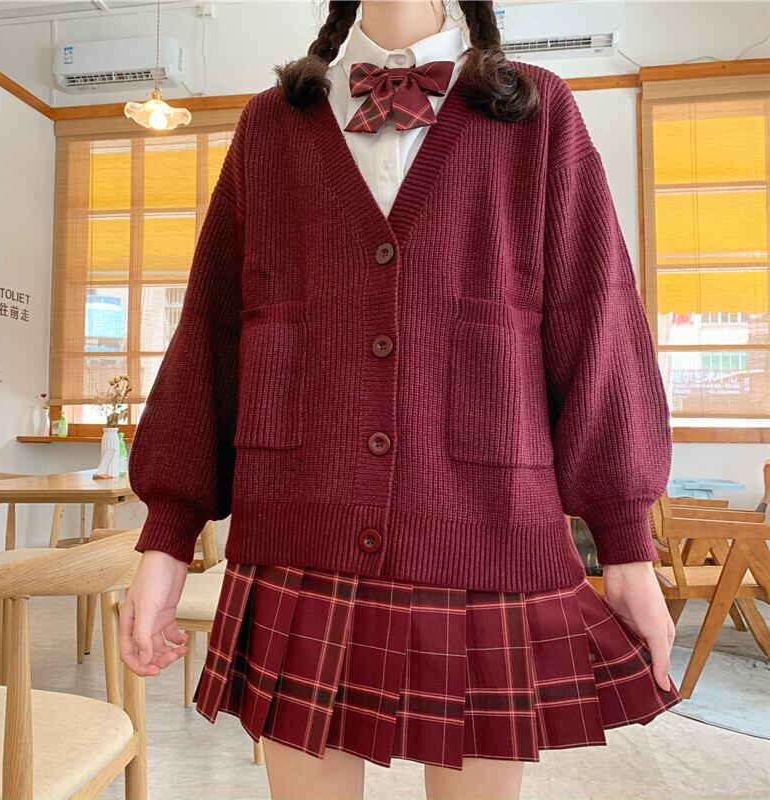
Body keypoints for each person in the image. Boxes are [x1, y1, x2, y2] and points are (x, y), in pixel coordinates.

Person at [119, 2, 682, 798]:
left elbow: (599, 324)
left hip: (486, 534)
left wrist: (626, 549)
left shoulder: (538, 112)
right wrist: (166, 540)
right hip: (300, 535)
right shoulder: (271, 126)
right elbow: (211, 335)